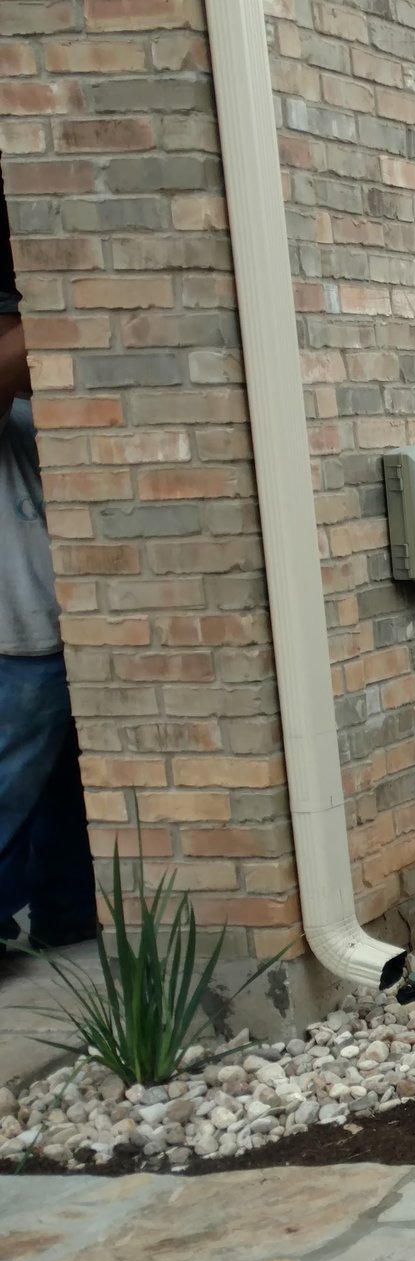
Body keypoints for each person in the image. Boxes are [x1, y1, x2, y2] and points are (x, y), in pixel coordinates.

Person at [0, 197, 97, 948]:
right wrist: (69, 281)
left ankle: (66, 917)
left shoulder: (26, 408)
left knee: (67, 794)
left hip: (64, 626)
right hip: (16, 634)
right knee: (9, 789)